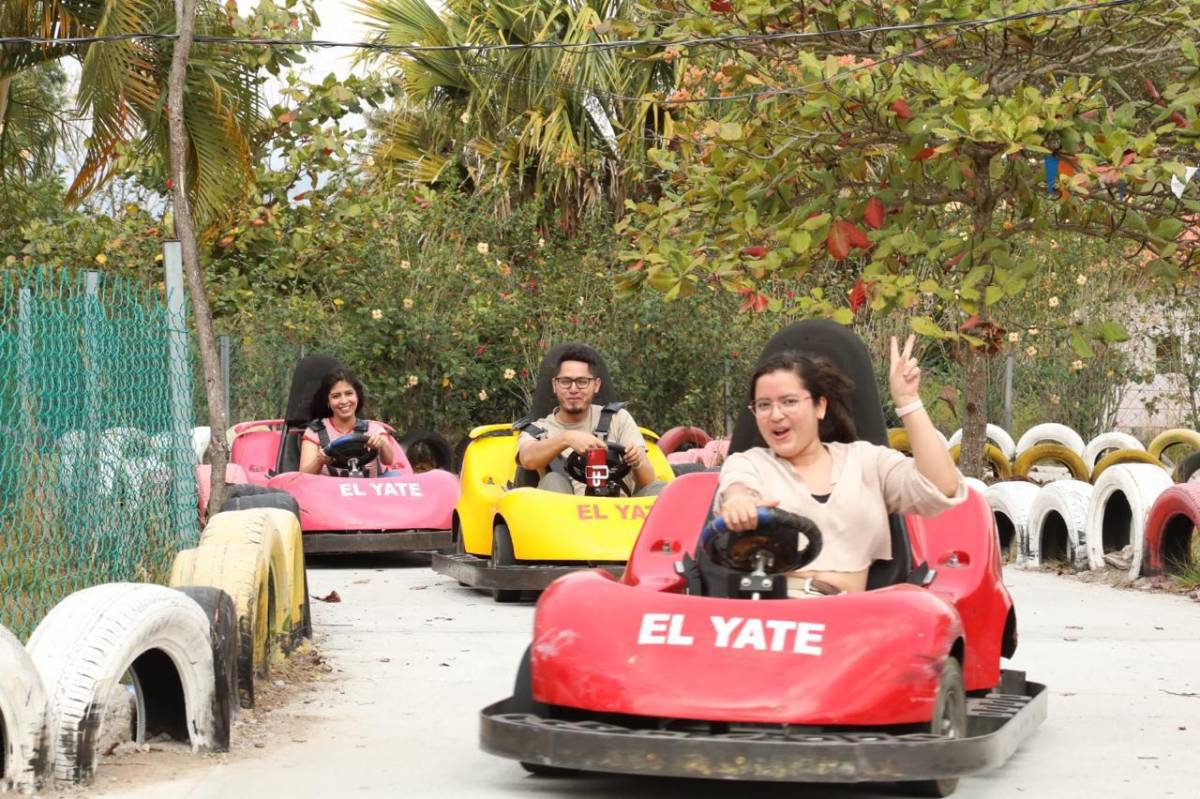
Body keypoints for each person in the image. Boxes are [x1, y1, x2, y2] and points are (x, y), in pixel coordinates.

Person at [716, 335, 964, 596]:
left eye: (789, 402)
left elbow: (942, 486)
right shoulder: (749, 463)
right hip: (775, 615)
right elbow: (737, 487)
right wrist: (739, 504)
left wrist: (908, 401)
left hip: (851, 619)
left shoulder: (867, 461)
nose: (776, 415)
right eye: (764, 405)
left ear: (819, 406)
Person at [516, 345, 664, 497]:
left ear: (596, 385)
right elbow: (527, 459)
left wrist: (638, 460)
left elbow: (649, 483)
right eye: (565, 381)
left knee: (663, 489)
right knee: (553, 479)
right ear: (555, 385)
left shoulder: (619, 418)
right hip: (567, 516)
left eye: (582, 381)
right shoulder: (538, 429)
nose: (573, 389)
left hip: (622, 514)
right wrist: (566, 438)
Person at [299, 368, 396, 476]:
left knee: (394, 475)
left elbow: (388, 461)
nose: (344, 401)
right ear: (328, 401)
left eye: (349, 394)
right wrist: (319, 461)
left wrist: (381, 443)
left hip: (367, 490)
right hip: (328, 491)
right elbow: (303, 476)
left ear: (357, 396)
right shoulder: (315, 431)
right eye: (336, 396)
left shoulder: (373, 428)